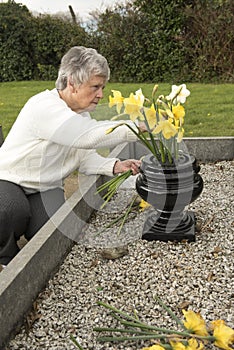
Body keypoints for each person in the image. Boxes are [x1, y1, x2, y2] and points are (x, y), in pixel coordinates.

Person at [0, 46, 143, 266]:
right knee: (10, 211)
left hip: (43, 187)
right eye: (95, 86)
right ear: (72, 83)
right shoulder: (45, 107)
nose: (101, 94)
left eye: (102, 87)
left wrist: (115, 166)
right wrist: (135, 127)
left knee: (56, 230)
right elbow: (86, 136)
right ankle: (4, 259)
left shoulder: (79, 113)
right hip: (8, 180)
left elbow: (83, 157)